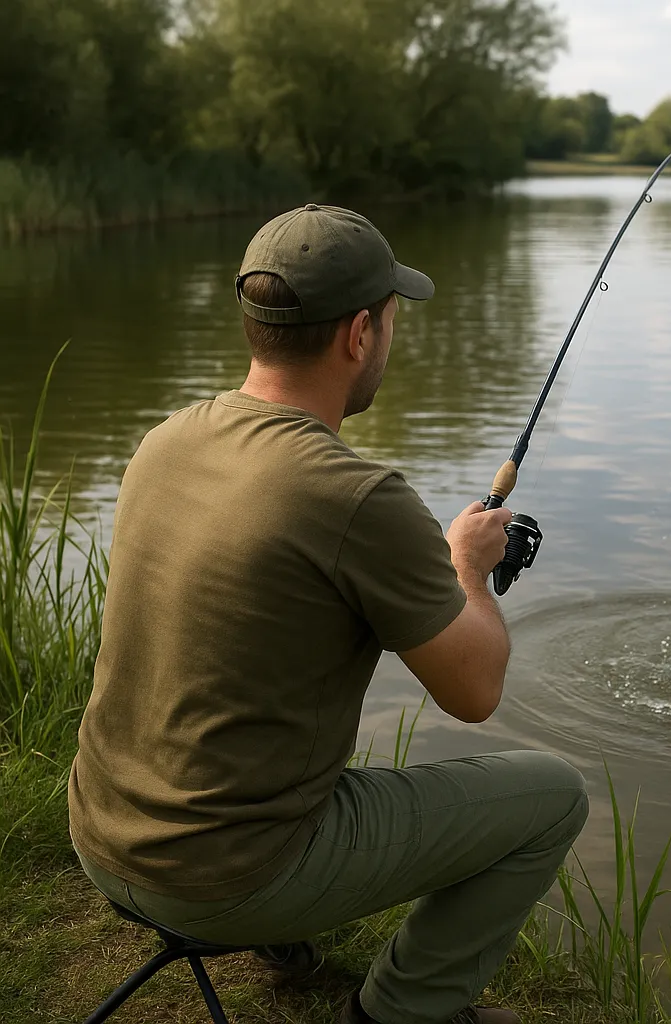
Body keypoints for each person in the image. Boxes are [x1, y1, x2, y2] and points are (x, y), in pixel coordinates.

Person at [67, 204, 590, 1024]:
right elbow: (475, 691)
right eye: (389, 318)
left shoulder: (165, 439)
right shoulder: (355, 496)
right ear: (358, 335)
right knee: (553, 796)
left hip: (101, 835)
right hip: (223, 877)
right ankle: (395, 1011)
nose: (390, 336)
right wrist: (468, 568)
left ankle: (284, 939)